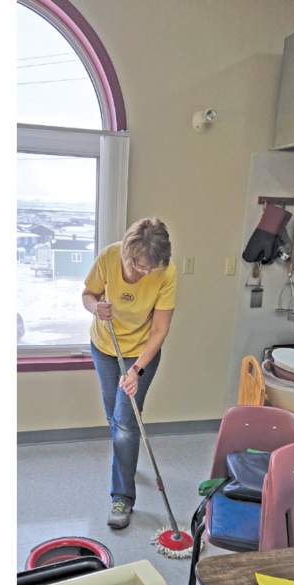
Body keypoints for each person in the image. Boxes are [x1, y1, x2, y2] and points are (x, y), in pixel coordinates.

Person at [82, 218, 175, 530]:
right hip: (104, 346)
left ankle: (122, 498)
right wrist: (96, 308)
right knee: (116, 416)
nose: (146, 273)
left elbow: (160, 329)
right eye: (140, 265)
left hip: (140, 352)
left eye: (152, 267)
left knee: (125, 423)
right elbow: (87, 294)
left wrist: (136, 370)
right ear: (127, 252)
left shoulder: (166, 272)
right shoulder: (109, 257)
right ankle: (127, 459)